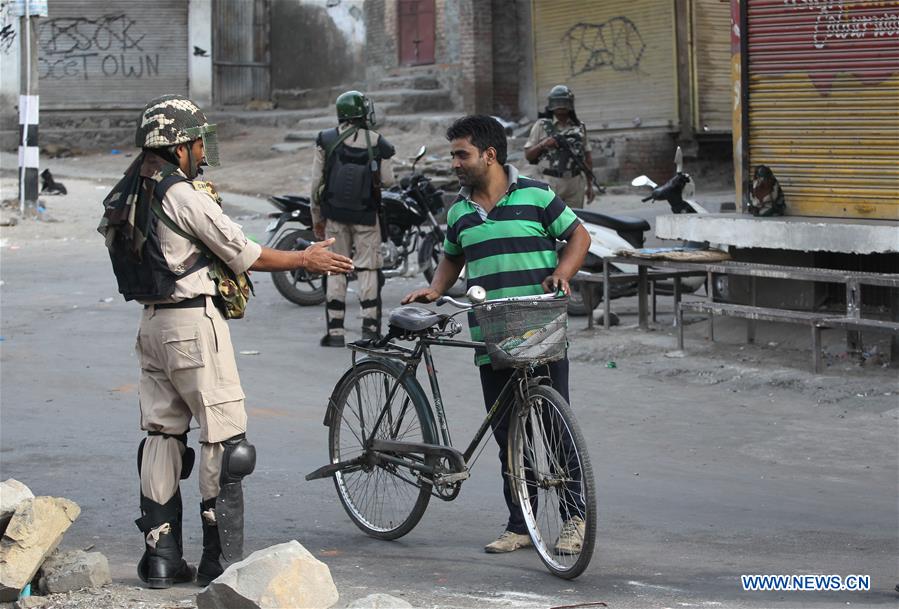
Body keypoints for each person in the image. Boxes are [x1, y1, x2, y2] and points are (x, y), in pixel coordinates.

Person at [98, 94, 353, 589]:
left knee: (162, 436)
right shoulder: (181, 193)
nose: (201, 151)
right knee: (226, 440)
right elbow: (243, 251)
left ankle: (161, 558)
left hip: (152, 325)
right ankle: (219, 561)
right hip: (193, 324)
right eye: (196, 143)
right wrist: (305, 260)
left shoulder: (130, 188)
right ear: (178, 146)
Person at [401, 115, 590, 554]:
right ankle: (520, 523)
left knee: (555, 427)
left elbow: (579, 236)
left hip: (541, 331)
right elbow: (452, 259)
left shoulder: (538, 196)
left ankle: (574, 518)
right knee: (507, 434)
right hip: (492, 339)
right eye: (452, 155)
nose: (454, 163)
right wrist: (435, 288)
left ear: (489, 155)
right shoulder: (460, 211)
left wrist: (563, 273)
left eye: (461, 154)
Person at [310, 90, 396, 347]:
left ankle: (335, 332)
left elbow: (316, 185)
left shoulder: (325, 139)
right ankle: (369, 330)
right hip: (367, 215)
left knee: (335, 267)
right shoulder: (379, 142)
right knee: (368, 268)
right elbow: (389, 180)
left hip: (334, 215)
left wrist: (317, 218)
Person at [524, 85, 595, 209]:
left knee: (575, 221)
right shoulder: (541, 126)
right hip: (550, 181)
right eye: (558, 102)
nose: (561, 106)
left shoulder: (579, 127)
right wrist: (543, 144)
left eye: (564, 102)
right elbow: (528, 155)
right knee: (550, 224)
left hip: (575, 182)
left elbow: (587, 158)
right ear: (551, 104)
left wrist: (590, 186)